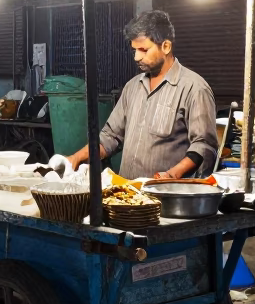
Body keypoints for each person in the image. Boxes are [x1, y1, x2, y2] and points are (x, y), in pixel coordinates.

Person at [66, 10, 218, 180]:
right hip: (127, 196)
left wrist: (173, 174)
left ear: (166, 46)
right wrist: (76, 158)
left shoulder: (194, 88)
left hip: (167, 198)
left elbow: (204, 145)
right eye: (134, 50)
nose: (137, 57)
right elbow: (111, 136)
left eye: (144, 50)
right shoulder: (132, 87)